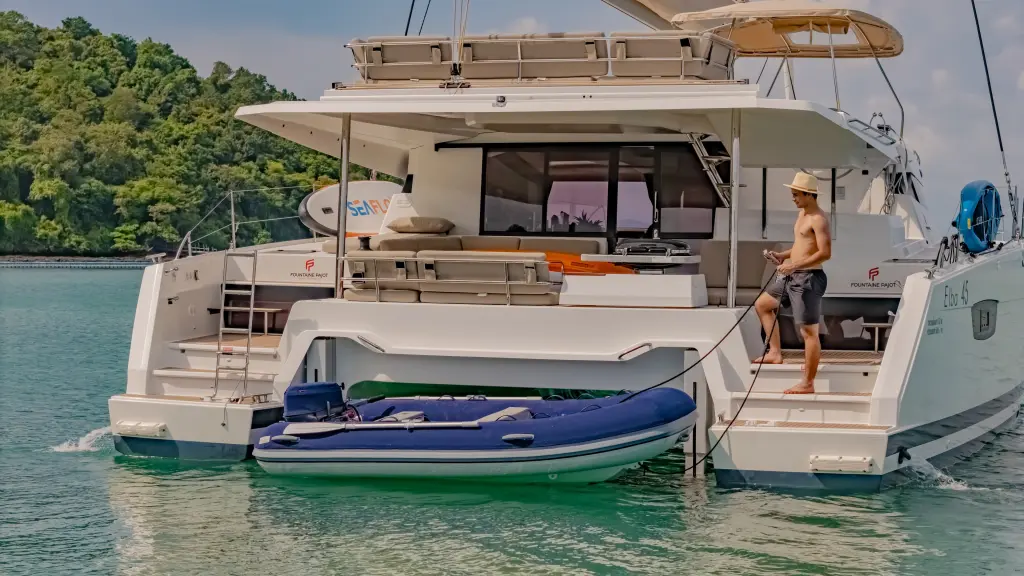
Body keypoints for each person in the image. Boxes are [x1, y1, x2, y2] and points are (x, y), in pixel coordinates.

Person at [753, 172, 832, 394]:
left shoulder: (818, 219)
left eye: (796, 194)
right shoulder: (802, 214)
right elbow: (802, 246)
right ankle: (774, 352)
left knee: (809, 333)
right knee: (762, 305)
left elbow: (825, 253)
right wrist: (783, 256)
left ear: (809, 194)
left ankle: (808, 383)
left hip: (808, 278)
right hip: (792, 275)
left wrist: (793, 266)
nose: (793, 198)